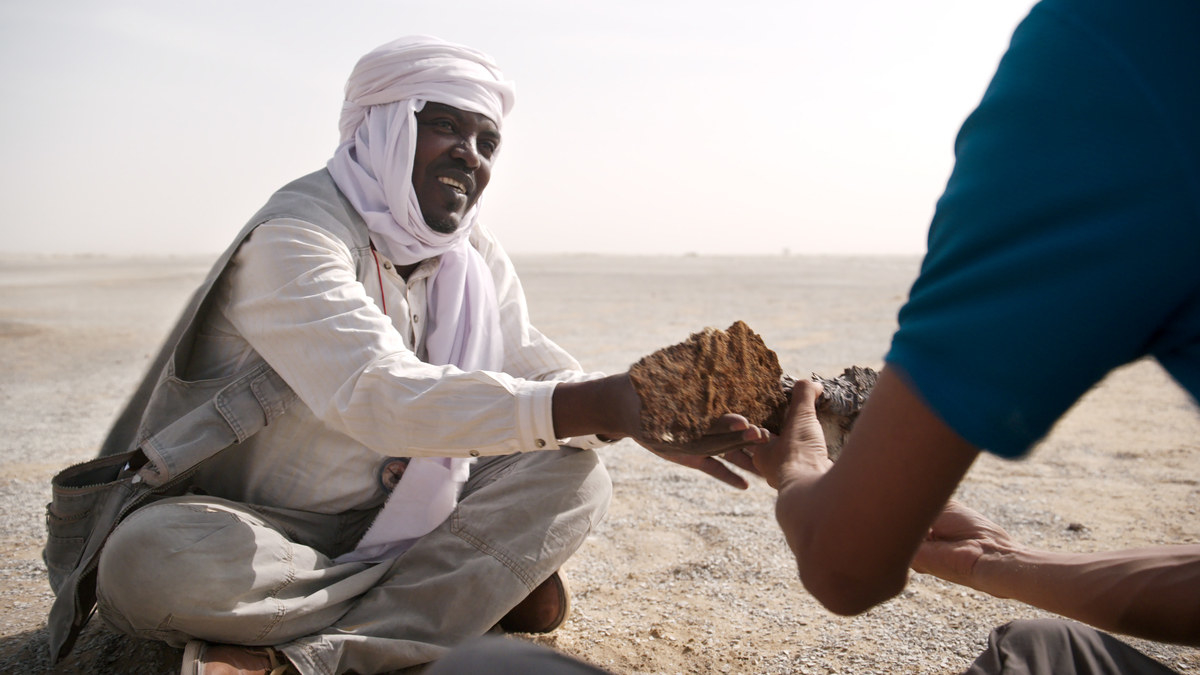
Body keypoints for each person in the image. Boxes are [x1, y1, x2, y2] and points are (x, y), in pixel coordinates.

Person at [74, 36, 765, 675]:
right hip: (264, 528)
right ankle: (454, 591)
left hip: (403, 514)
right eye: (445, 126)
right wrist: (600, 403)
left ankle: (310, 655)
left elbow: (542, 376)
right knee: (144, 564)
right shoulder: (297, 235)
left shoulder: (472, 258)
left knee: (578, 476)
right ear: (379, 126)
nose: (472, 153)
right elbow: (378, 392)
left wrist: (640, 411)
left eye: (487, 139)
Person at [751, 0, 1200, 672]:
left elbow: (845, 565)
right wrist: (998, 558)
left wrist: (798, 473)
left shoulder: (1111, 48)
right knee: (1041, 647)